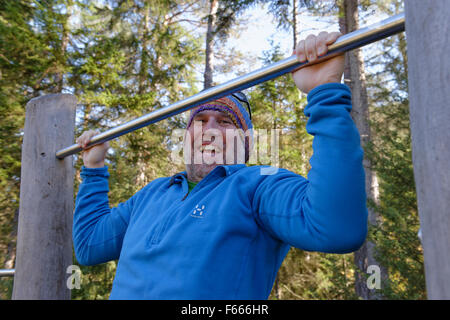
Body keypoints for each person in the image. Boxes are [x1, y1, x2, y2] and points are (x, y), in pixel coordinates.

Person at [73, 31, 368, 299]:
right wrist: (94, 169)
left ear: (246, 143)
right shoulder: (151, 195)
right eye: (200, 121)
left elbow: (337, 228)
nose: (209, 129)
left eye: (225, 122)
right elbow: (88, 245)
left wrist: (325, 92)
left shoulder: (257, 187)